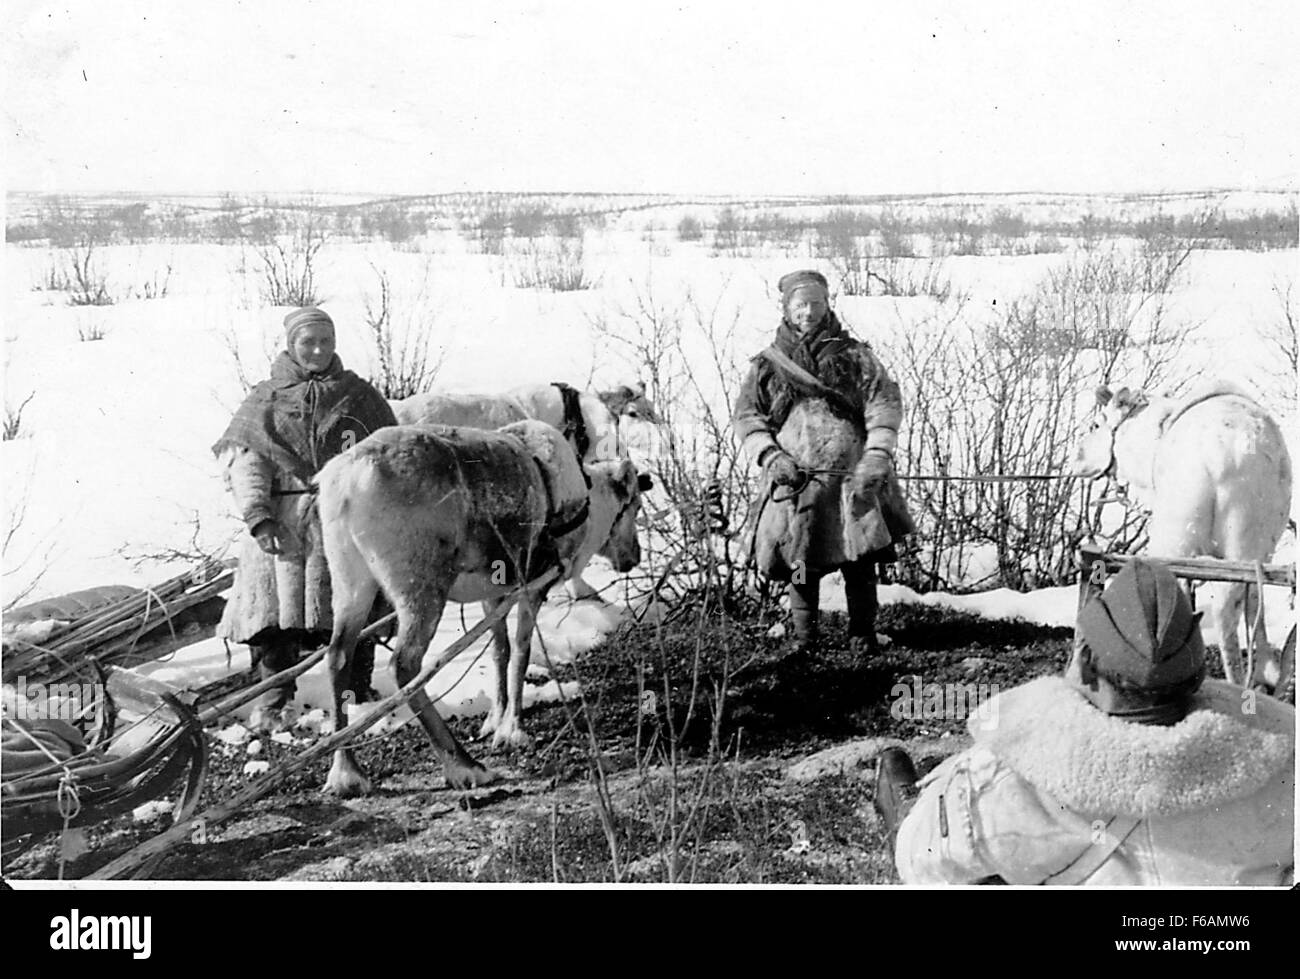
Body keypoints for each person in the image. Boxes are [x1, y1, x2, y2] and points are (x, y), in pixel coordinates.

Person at [877, 558, 1295, 886]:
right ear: (1195, 671)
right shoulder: (1281, 754)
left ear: (1086, 661)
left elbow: (920, 863)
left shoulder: (1012, 773)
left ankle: (916, 801)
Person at [213, 306, 397, 732]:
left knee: (356, 610)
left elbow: (385, 455)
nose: (317, 350)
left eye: (325, 342)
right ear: (291, 346)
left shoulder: (360, 398)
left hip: (346, 521)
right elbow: (249, 463)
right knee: (273, 621)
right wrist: (259, 517)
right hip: (285, 522)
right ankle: (274, 701)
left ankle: (354, 697)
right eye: (307, 342)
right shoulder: (266, 399)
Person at [733, 269, 914, 654]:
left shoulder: (857, 358)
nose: (809, 312)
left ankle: (862, 633)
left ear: (828, 304)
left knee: (859, 558)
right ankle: (804, 635)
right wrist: (770, 456)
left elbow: (884, 405)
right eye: (801, 305)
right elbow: (748, 417)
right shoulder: (767, 365)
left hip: (852, 477)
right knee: (800, 561)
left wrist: (878, 455)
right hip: (795, 481)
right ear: (786, 309)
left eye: (817, 303)